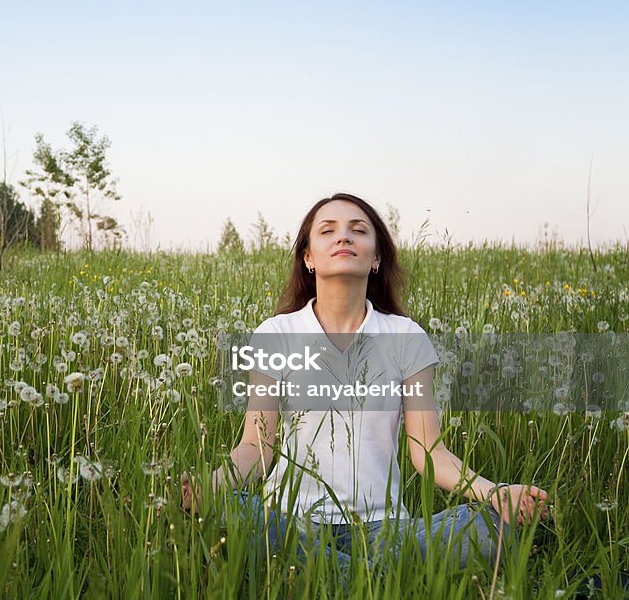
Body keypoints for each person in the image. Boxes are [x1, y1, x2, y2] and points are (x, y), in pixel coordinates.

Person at [181, 192, 550, 581]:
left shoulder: (404, 335)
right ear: (308, 257)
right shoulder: (278, 334)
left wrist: (494, 492)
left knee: (489, 523)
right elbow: (257, 447)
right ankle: (376, 579)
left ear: (376, 259)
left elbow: (430, 453)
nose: (343, 238)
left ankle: (327, 576)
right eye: (328, 231)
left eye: (358, 230)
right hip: (290, 521)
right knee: (229, 512)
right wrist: (210, 485)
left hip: (385, 529)